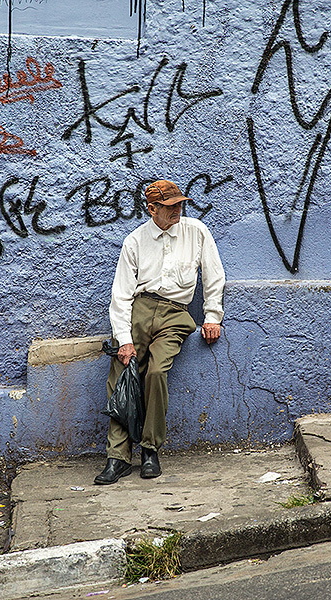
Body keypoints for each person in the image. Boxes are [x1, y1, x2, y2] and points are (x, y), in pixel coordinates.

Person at [95, 180, 225, 484]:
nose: (177, 210)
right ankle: (118, 457)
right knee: (122, 375)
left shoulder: (196, 232)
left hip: (175, 315)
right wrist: (124, 340)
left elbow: (214, 274)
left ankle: (150, 450)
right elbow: (121, 295)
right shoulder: (135, 241)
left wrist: (212, 316)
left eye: (179, 204)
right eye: (169, 207)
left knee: (155, 372)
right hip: (139, 311)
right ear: (152, 209)